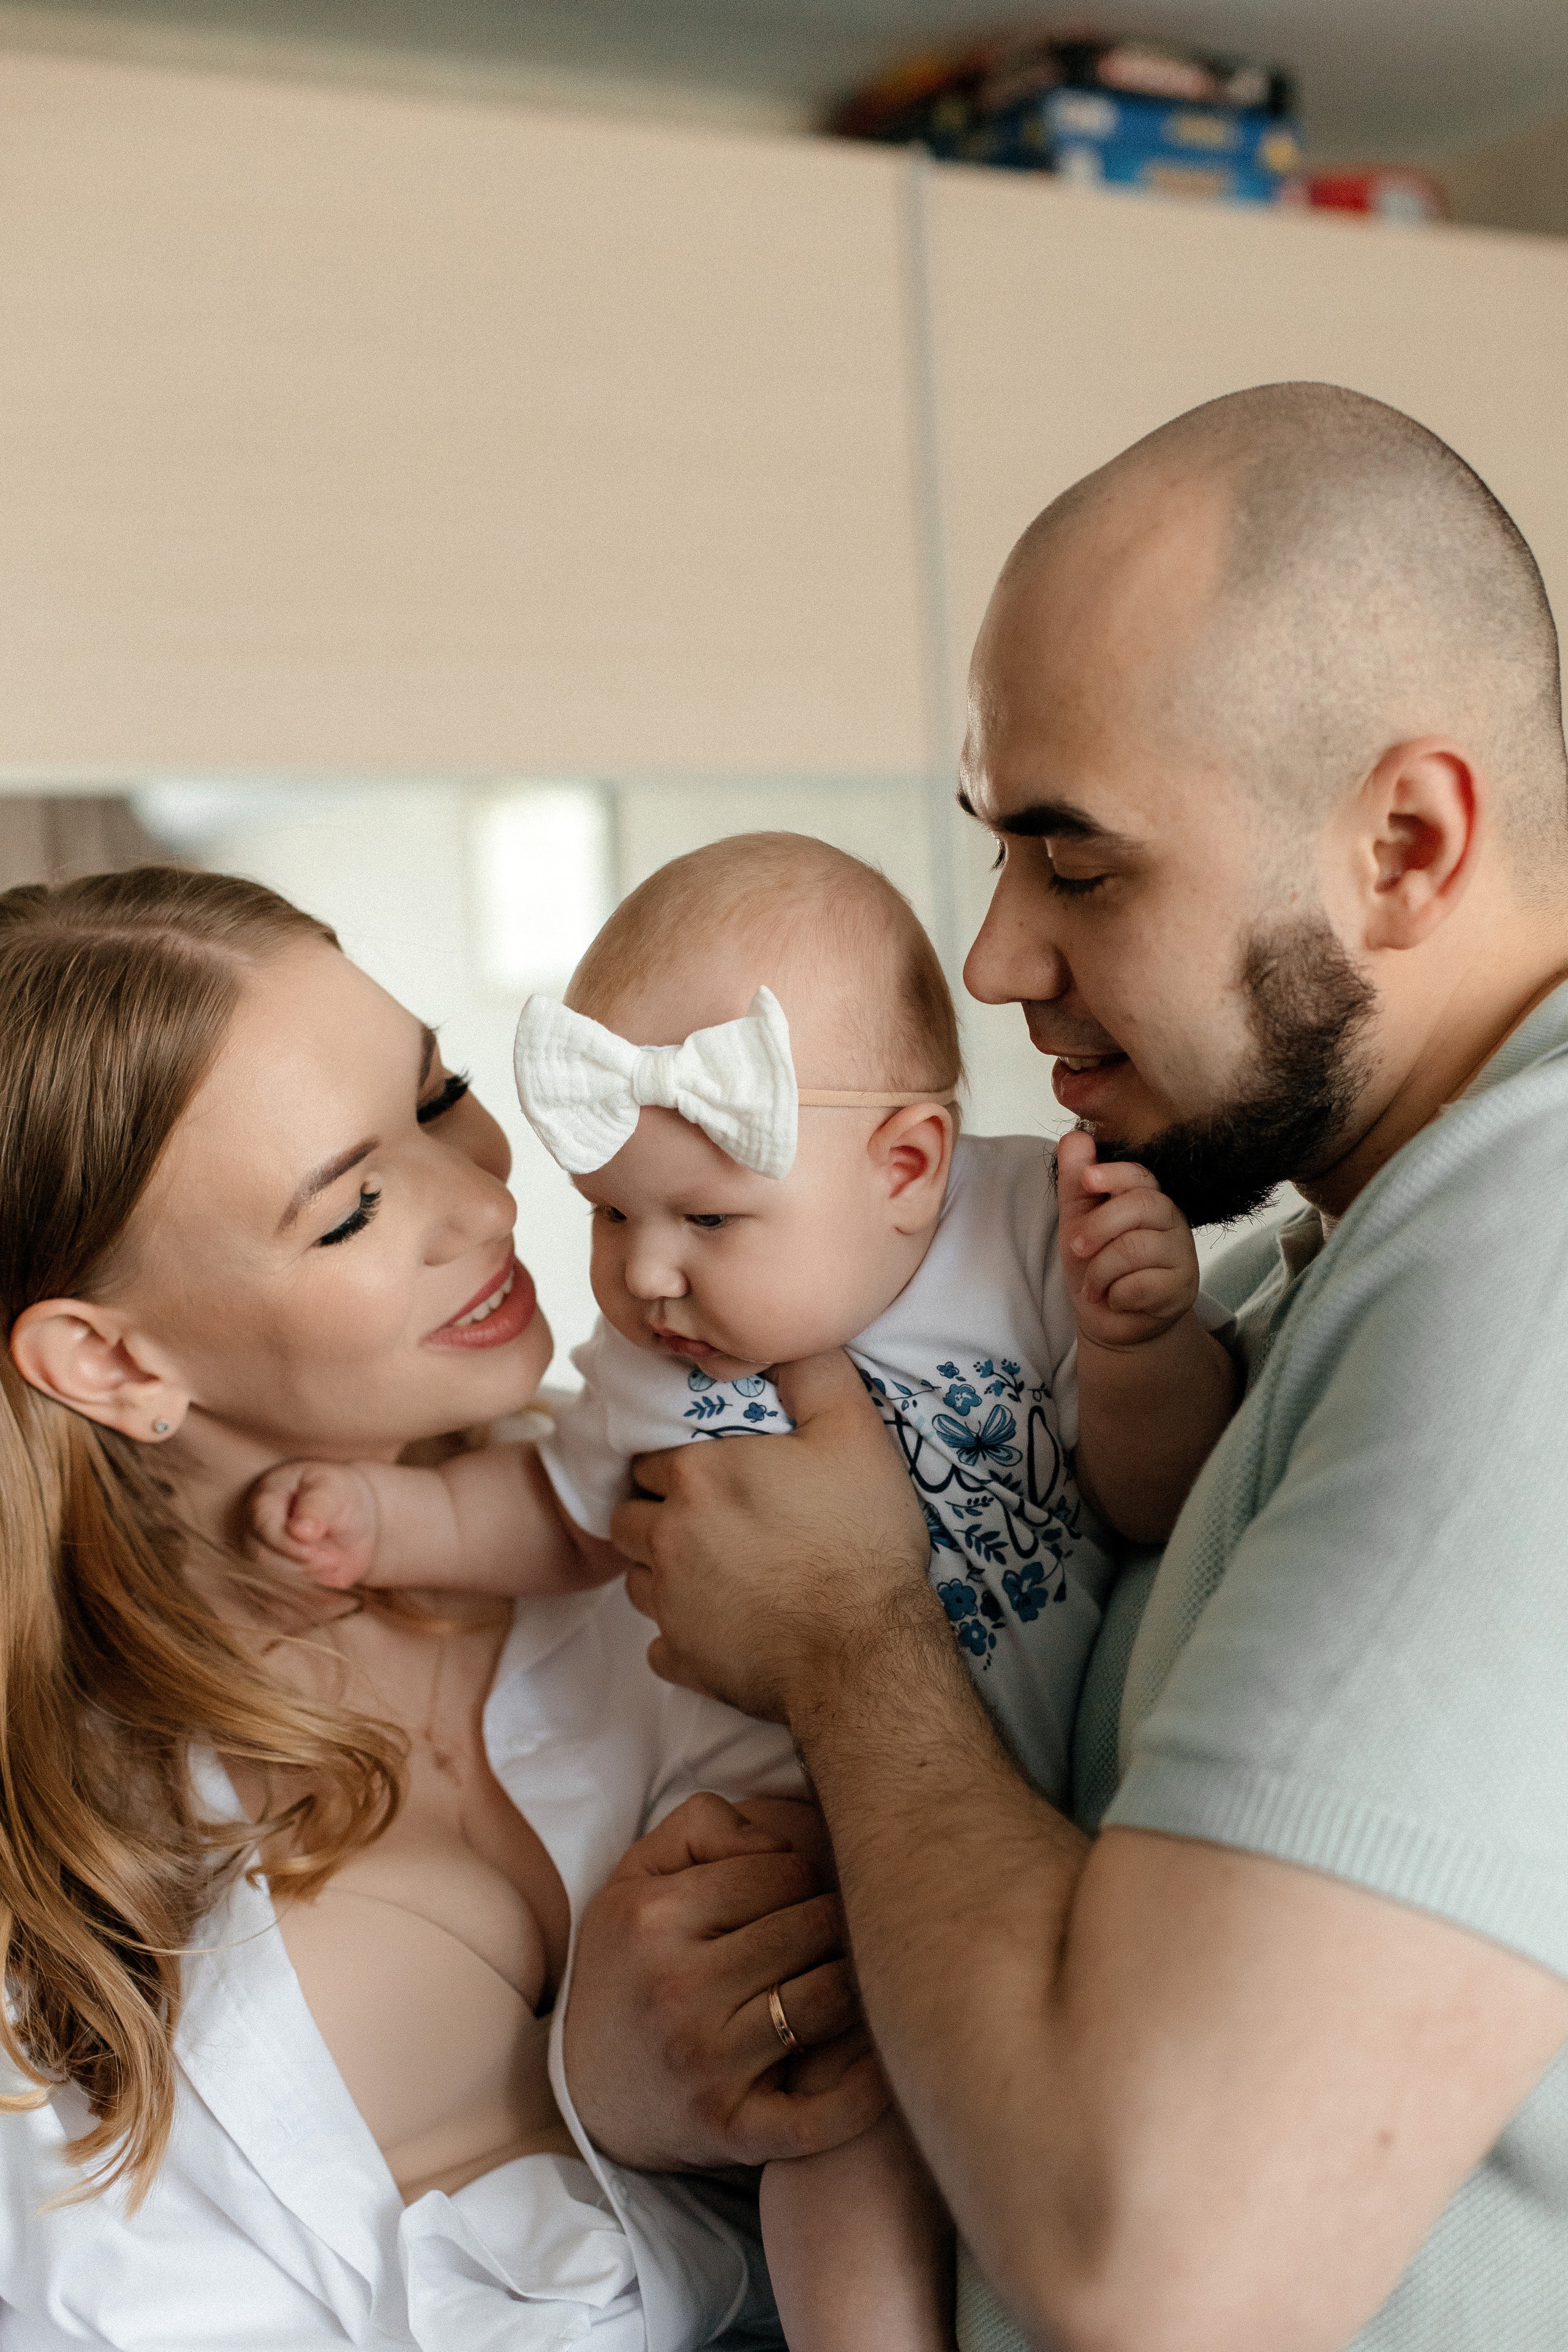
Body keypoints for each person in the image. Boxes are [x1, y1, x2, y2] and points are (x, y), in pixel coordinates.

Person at [594, 382, 1568, 2351]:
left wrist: (854, 1640)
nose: (994, 961)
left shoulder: (1531, 1254)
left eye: (1080, 862)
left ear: (1405, 842)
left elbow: (1160, 2269)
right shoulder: (1327, 1261)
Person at [0, 865, 878, 2351]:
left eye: (442, 1091)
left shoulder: (709, 1511)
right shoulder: (53, 1887)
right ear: (111, 1363)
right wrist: (599, 2102)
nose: (485, 1197)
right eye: (349, 1209)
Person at [249, 832, 1235, 1811]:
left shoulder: (1039, 1231)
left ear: (906, 1170)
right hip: (766, 1834)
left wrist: (1138, 1345)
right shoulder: (654, 1361)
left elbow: (1163, 1504)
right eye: (611, 1212)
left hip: (1044, 1817)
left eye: (708, 1218)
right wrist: (384, 1524)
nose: (645, 1271)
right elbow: (563, 1517)